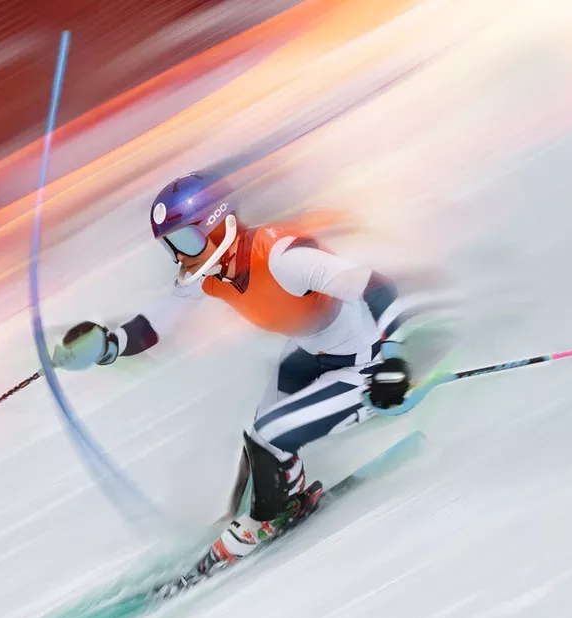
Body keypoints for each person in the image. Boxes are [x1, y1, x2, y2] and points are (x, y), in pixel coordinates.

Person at [51, 171, 421, 571]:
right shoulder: (208, 274)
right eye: (171, 247)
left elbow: (377, 288)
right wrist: (106, 346)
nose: (182, 258)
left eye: (187, 241)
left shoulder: (281, 257)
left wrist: (394, 359)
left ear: (222, 223)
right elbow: (152, 325)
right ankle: (275, 500)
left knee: (269, 437)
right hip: (312, 353)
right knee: (257, 440)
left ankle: (262, 520)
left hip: (363, 363)